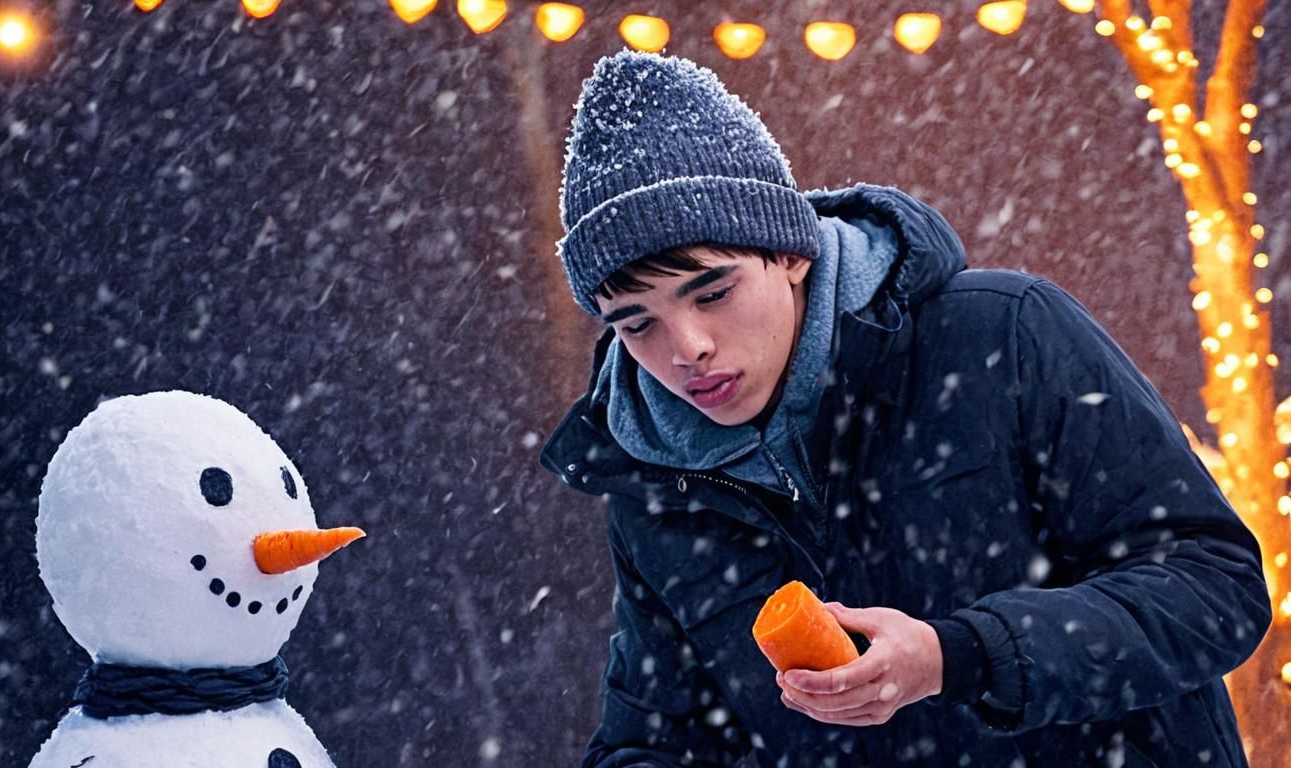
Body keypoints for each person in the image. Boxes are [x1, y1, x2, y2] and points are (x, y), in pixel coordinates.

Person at [538, 50, 1271, 768]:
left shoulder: (1004, 336)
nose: (686, 349)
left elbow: (1214, 586)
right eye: (638, 324)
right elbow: (655, 740)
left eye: (713, 293)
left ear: (789, 252)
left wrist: (959, 657)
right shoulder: (655, 485)